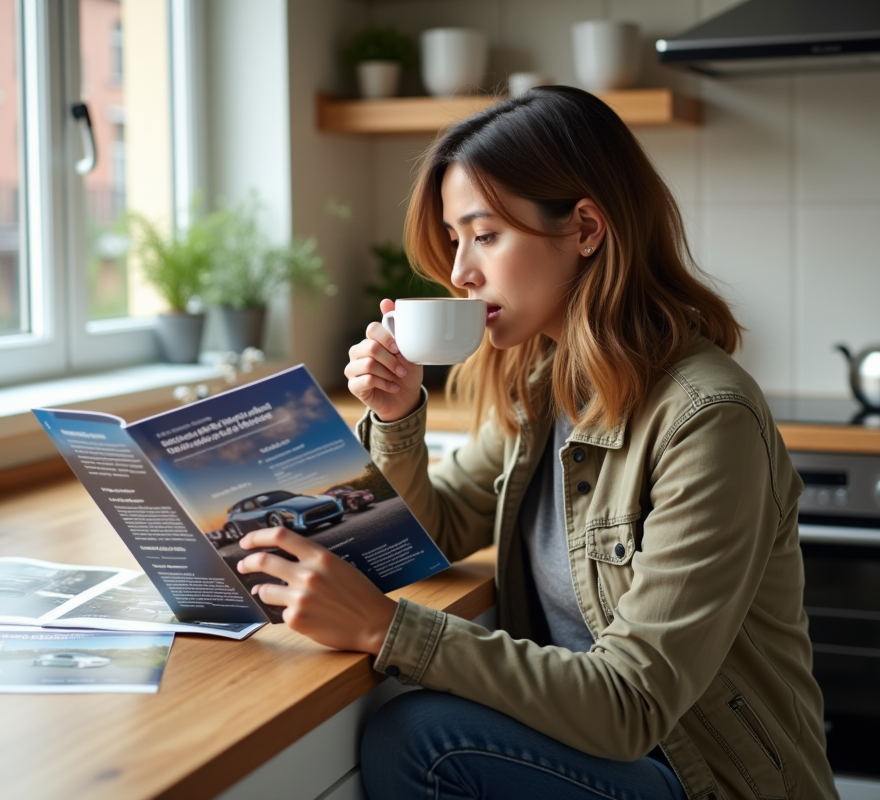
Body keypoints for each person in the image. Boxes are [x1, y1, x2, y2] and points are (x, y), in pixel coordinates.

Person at [235, 85, 838, 800]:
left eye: (484, 235)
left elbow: (632, 704)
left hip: (703, 775)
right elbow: (436, 528)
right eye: (456, 240)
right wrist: (397, 417)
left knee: (423, 739)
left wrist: (386, 630)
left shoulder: (707, 419)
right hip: (612, 754)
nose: (459, 272)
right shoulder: (546, 381)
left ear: (585, 228)